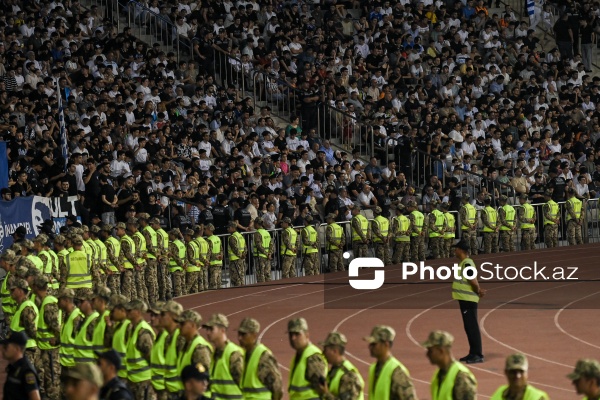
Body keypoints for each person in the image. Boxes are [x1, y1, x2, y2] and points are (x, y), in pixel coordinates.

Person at [452, 241, 485, 364]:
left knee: (472, 327)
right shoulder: (464, 264)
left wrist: (478, 290)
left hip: (468, 299)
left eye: (456, 249)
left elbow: (473, 280)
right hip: (465, 299)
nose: (455, 251)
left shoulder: (467, 264)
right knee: (469, 327)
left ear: (461, 250)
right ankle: (473, 352)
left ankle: (477, 354)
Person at [364, 325, 417, 399]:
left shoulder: (397, 371)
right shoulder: (373, 368)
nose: (370, 347)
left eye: (374, 344)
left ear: (386, 344)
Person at [237, 317, 283, 399]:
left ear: (254, 335)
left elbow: (277, 387)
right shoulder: (245, 355)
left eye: (244, 334)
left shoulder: (263, 356)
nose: (240, 338)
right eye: (239, 334)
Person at [423, 330, 477, 400]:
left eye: (430, 351)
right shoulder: (437, 375)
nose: (427, 354)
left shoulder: (461, 376)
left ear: (441, 351)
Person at [32, 275, 61, 400]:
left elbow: (56, 327)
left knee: (52, 381)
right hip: (44, 347)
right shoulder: (43, 300)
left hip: (51, 349)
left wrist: (58, 339)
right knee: (47, 378)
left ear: (37, 287)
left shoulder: (48, 303)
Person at [203, 313, 244, 399]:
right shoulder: (215, 354)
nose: (207, 332)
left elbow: (245, 385)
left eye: (211, 329)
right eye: (207, 329)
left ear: (222, 330)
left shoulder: (233, 354)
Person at [287, 318, 327, 400]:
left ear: (307, 335)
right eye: (291, 334)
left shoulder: (312, 357)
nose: (293, 338)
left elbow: (322, 388)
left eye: (297, 334)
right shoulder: (298, 356)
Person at [317, 332, 364, 400]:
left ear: (335, 351)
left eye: (325, 349)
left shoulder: (348, 375)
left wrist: (326, 394)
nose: (323, 353)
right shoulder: (335, 370)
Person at [125, 299, 155, 400]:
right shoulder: (132, 328)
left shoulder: (143, 331)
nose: (127, 312)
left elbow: (151, 357)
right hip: (134, 379)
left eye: (130, 311)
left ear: (137, 312)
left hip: (144, 381)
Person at [2, 331, 42, 400]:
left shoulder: (26, 371)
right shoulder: (13, 367)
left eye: (7, 346)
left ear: (16, 349)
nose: (4, 349)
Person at [253, 218, 274, 282]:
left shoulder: (257, 233)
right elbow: (271, 244)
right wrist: (269, 253)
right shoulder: (267, 232)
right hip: (267, 257)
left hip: (260, 256)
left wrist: (266, 253)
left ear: (257, 224)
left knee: (260, 275)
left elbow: (259, 245)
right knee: (267, 274)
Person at [228, 221, 248, 286]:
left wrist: (240, 255)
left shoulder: (232, 237)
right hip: (241, 259)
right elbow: (245, 247)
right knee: (241, 276)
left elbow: (235, 249)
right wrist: (243, 255)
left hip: (235, 260)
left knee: (236, 278)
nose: (228, 229)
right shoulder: (240, 235)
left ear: (233, 228)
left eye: (229, 227)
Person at [204, 224, 224, 290]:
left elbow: (208, 253)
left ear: (209, 230)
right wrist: (221, 256)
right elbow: (221, 249)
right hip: (219, 263)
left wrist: (206, 261)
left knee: (213, 284)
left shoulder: (208, 240)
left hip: (212, 264)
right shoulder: (217, 238)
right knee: (219, 283)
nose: (204, 231)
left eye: (205, 229)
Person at [168, 228, 186, 297]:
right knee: (183, 286)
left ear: (173, 235)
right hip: (182, 268)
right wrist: (184, 265)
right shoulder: (181, 243)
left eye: (170, 235)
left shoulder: (173, 244)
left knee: (177, 288)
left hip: (175, 268)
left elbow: (176, 257)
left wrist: (181, 265)